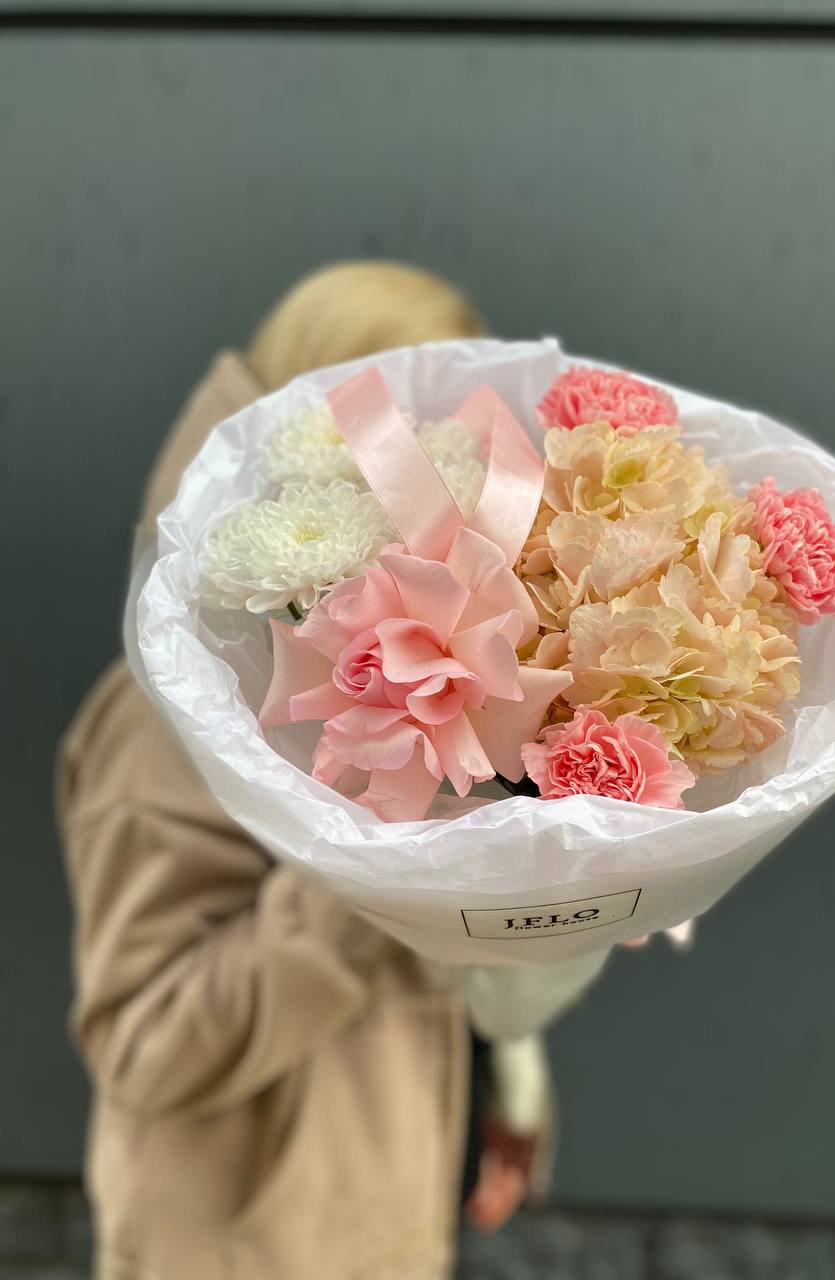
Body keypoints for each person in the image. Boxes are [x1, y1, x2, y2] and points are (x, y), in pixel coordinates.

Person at [57, 261, 552, 1280]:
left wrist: (512, 1062)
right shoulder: (166, 719)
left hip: (385, 1207)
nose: (438, 487)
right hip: (241, 1245)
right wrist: (365, 859)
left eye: (454, 442)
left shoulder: (422, 674)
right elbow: (145, 1044)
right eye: (411, 441)